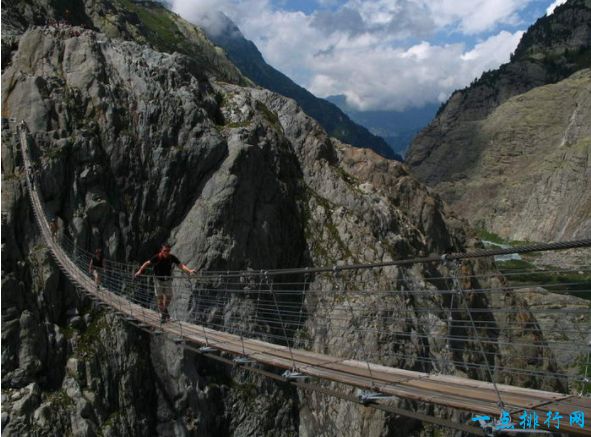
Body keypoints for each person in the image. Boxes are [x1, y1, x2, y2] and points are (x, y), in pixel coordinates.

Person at [134, 244, 196, 323]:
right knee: (160, 299)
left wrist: (189, 271)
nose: (166, 252)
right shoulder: (157, 257)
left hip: (167, 280)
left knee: (169, 297)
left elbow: (181, 266)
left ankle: (164, 311)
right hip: (158, 280)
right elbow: (147, 263)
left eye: (168, 251)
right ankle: (163, 315)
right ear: (161, 251)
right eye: (165, 251)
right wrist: (139, 271)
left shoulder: (171, 257)